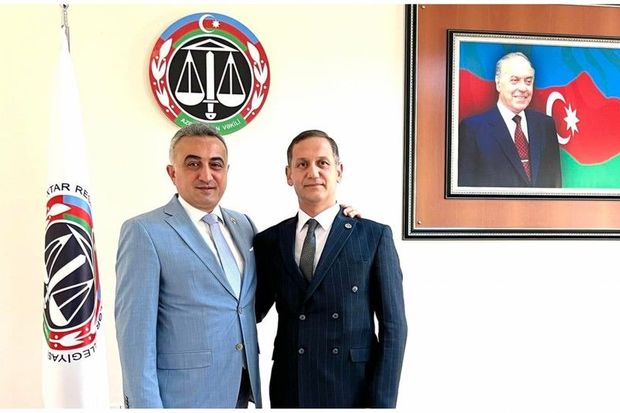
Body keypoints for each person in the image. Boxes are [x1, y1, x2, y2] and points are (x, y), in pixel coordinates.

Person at [254, 129, 408, 408]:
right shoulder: (269, 241)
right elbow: (250, 311)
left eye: (322, 163)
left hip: (352, 390)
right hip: (290, 389)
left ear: (339, 171)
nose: (312, 172)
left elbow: (394, 327)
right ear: (289, 174)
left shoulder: (373, 236)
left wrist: (382, 405)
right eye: (302, 164)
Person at [115, 124, 261, 408]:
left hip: (241, 391)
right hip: (183, 397)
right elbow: (135, 336)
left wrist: (340, 223)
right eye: (193, 164)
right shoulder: (144, 231)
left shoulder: (243, 225)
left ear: (226, 170)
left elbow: (248, 304)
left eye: (215, 164)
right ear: (173, 173)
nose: (206, 175)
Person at [458, 51, 562, 188]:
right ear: (498, 83)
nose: (523, 88)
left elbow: (555, 184)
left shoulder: (545, 125)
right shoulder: (472, 129)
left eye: (528, 81)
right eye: (514, 80)